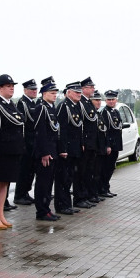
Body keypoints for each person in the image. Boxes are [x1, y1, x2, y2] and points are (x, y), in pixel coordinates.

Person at [0, 74, 26, 229]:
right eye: (8, 86)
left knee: (5, 183)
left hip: (11, 150)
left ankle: (0, 214)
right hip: (0, 151)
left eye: (13, 86)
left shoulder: (10, 104)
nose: (12, 88)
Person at [33, 79, 61, 221]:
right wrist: (44, 152)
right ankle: (41, 211)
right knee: (43, 183)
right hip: (45, 152)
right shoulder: (41, 108)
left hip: (52, 150)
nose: (54, 95)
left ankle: (47, 209)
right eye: (52, 93)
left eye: (56, 93)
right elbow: (39, 132)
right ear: (44, 93)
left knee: (49, 182)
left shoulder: (51, 108)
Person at [55, 81, 84, 215]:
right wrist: (62, 149)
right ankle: (62, 205)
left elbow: (79, 128)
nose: (79, 94)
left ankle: (67, 203)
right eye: (76, 92)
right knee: (63, 178)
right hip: (66, 149)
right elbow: (61, 130)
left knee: (69, 177)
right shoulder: (64, 106)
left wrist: (81, 144)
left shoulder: (76, 106)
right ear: (69, 93)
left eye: (80, 92)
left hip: (74, 148)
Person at [13, 79, 39, 206]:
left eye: (35, 89)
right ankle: (19, 195)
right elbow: (22, 125)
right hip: (26, 142)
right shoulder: (22, 103)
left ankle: (25, 192)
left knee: (30, 170)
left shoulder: (32, 103)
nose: (34, 91)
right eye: (32, 89)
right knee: (24, 170)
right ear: (25, 90)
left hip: (33, 142)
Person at [77, 77, 102, 205]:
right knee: (81, 172)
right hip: (85, 143)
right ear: (83, 89)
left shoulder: (88, 103)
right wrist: (82, 142)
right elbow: (81, 125)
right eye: (90, 87)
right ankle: (80, 197)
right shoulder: (80, 102)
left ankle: (86, 195)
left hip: (92, 143)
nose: (93, 89)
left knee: (89, 171)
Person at [100, 90, 124, 198]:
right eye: (108, 99)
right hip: (110, 145)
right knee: (106, 168)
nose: (111, 101)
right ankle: (103, 189)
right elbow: (105, 130)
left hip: (116, 144)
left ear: (116, 100)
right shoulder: (105, 112)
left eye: (112, 99)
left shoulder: (116, 112)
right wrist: (107, 145)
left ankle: (106, 187)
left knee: (111, 168)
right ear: (105, 100)